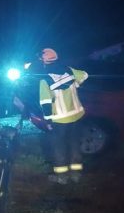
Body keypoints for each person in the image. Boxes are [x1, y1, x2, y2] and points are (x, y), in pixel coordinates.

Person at [37, 47, 89, 184]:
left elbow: (45, 101)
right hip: (77, 115)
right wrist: (76, 84)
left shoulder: (45, 79)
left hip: (60, 119)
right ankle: (76, 174)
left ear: (43, 61)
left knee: (58, 146)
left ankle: (61, 176)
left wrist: (48, 120)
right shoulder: (69, 70)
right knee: (74, 143)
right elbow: (84, 75)